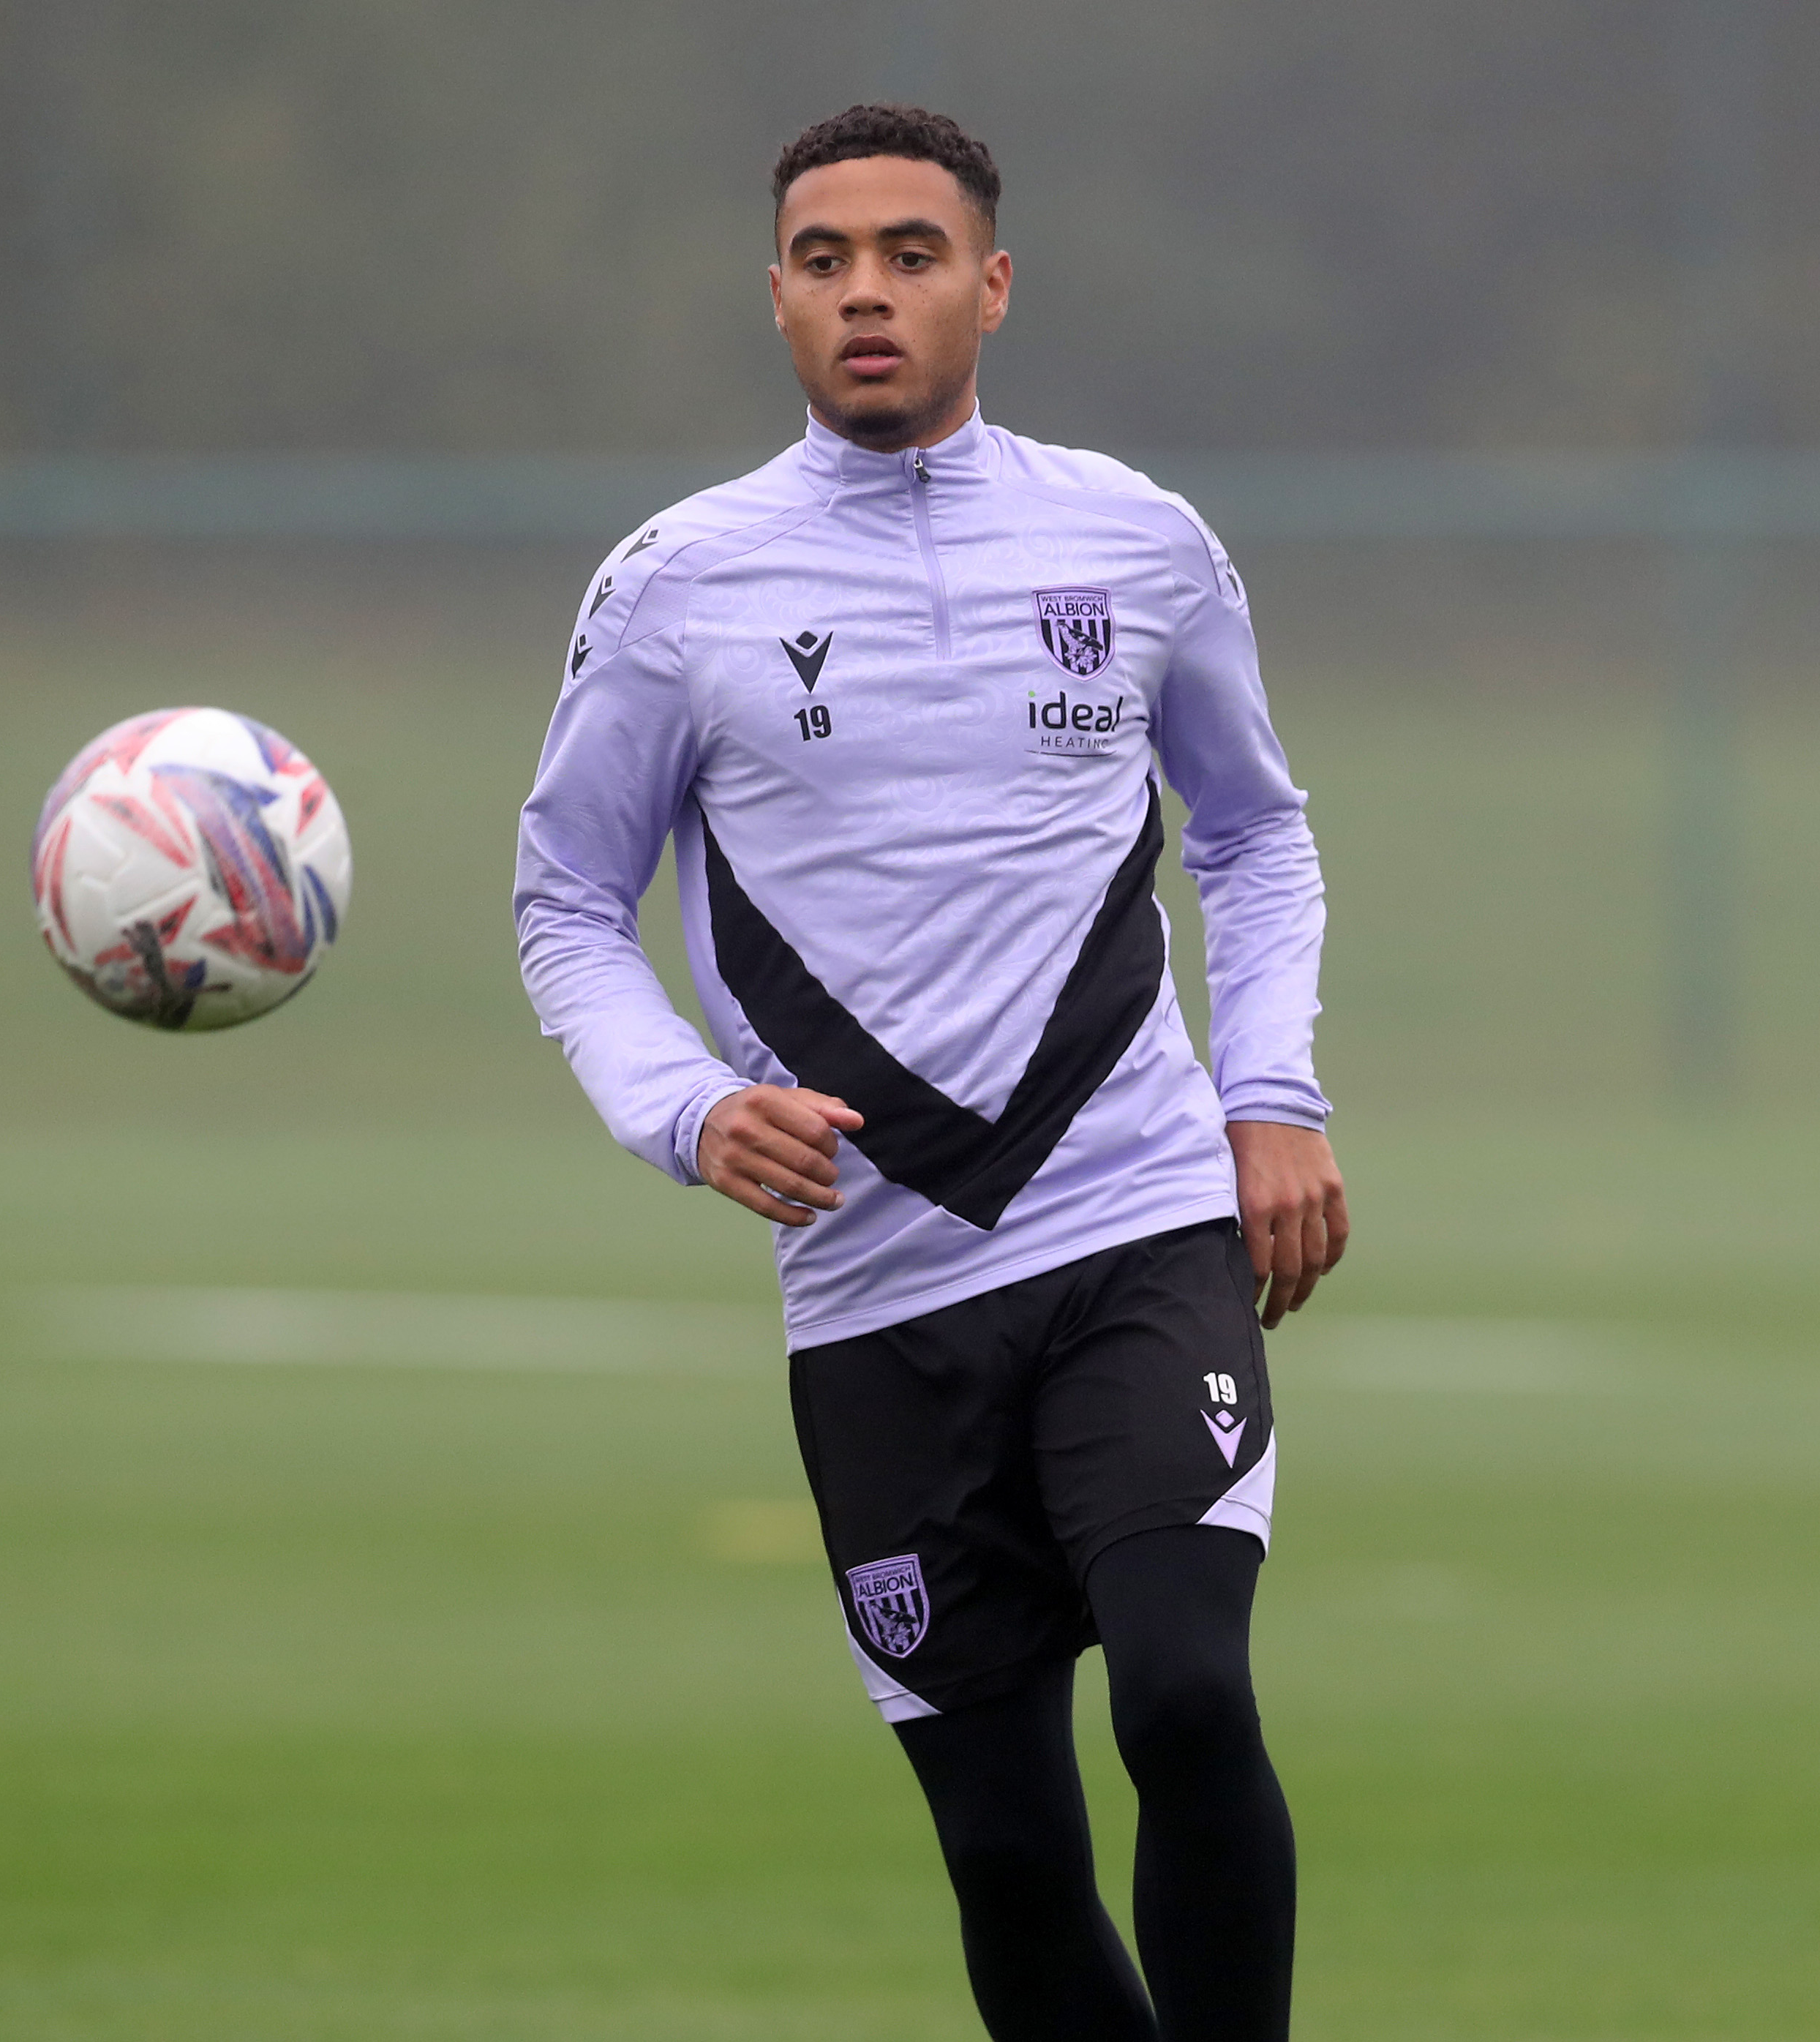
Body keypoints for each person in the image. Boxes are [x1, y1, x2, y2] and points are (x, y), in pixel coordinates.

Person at [513, 102, 1347, 2042]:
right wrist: (688, 1109)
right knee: (1001, 1853)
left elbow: (1254, 833)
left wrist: (1272, 1092)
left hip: (1138, 1224)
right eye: (822, 260)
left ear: (990, 282)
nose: (865, 293)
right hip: (876, 1299)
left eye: (906, 252)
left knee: (1186, 1695)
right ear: (778, 298)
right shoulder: (674, 587)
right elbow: (564, 905)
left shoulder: (1136, 545)